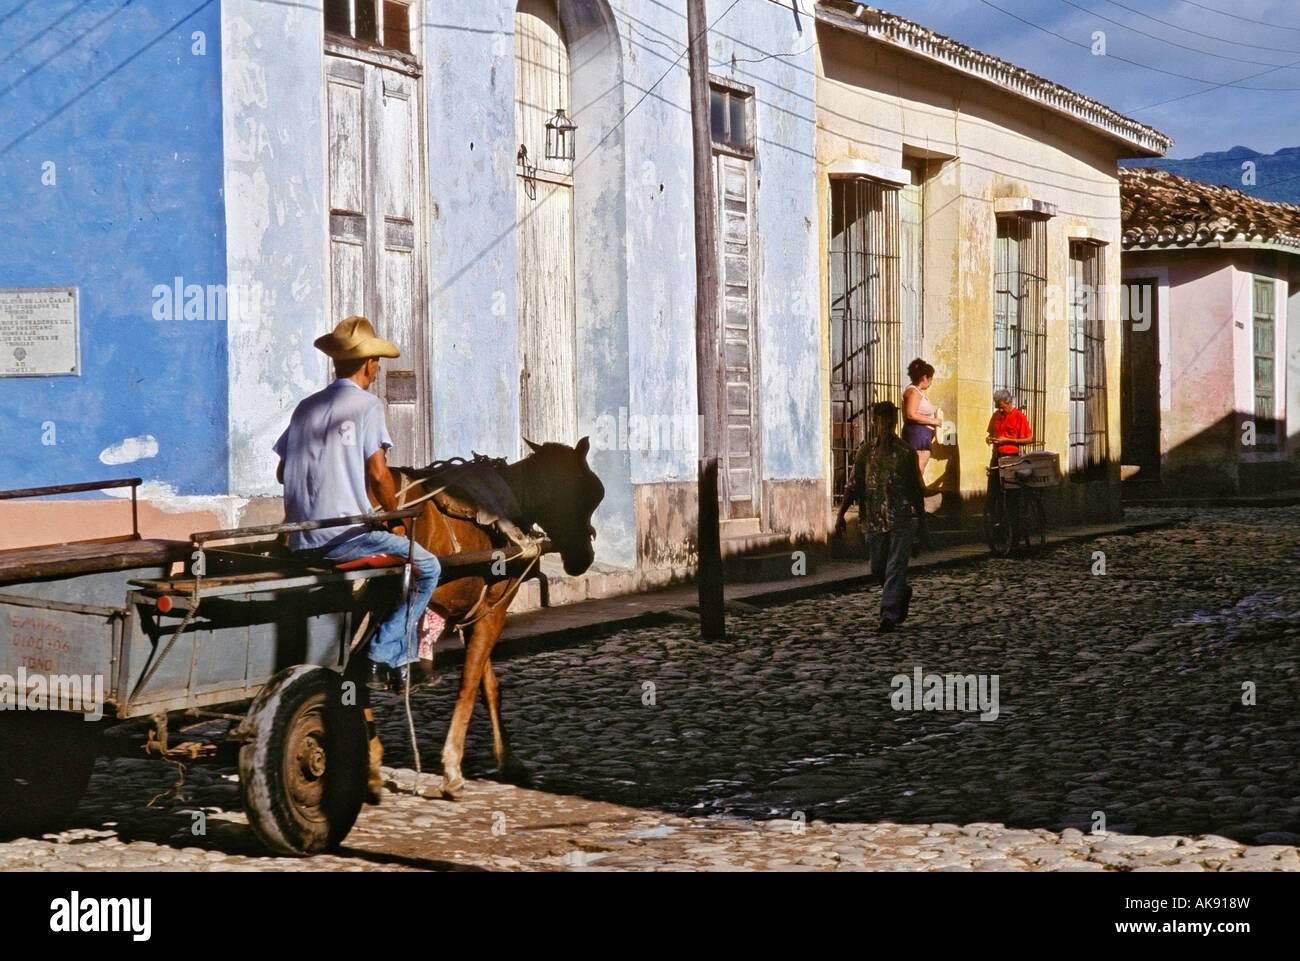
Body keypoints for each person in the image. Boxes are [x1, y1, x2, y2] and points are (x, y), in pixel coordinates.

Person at [274, 316, 441, 692]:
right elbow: (380, 474)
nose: (378, 367)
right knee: (427, 565)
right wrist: (396, 518)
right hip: (344, 537)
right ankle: (382, 654)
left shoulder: (305, 407)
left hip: (302, 538)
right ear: (369, 364)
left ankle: (396, 657)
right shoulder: (368, 406)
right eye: (377, 361)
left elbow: (283, 473)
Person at [834, 401, 925, 634]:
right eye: (879, 419)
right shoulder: (866, 452)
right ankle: (900, 593)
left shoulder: (906, 452)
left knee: (895, 568)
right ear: (874, 421)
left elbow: (916, 488)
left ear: (894, 422)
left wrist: (922, 523)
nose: (883, 424)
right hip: (872, 520)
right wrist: (841, 514)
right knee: (877, 567)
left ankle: (888, 615)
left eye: (887, 419)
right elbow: (854, 484)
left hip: (900, 520)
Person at [902, 358, 941, 475]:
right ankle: (914, 493)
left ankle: (917, 492)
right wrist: (933, 421)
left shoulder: (916, 392)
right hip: (918, 436)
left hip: (921, 436)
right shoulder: (913, 392)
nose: (931, 382)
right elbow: (910, 414)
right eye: (930, 379)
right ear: (924, 377)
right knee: (916, 472)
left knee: (917, 471)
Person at [985, 389, 1033, 466]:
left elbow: (1029, 439)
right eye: (998, 408)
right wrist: (989, 438)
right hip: (995, 456)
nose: (1000, 410)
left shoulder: (1019, 416)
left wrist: (1007, 440)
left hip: (1011, 458)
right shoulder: (995, 415)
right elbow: (991, 434)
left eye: (1002, 407)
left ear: (1009, 403)